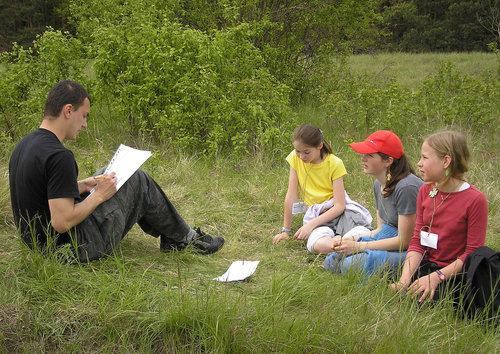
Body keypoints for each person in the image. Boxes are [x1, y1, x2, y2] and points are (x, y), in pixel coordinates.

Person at [9, 80, 224, 262]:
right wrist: (100, 196)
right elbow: (61, 222)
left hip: (37, 247)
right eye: (84, 116)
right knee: (137, 178)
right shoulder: (60, 156)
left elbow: (39, 191)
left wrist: (83, 185)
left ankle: (173, 236)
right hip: (70, 250)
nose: (84, 125)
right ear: (68, 111)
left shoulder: (25, 145)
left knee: (107, 173)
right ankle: (186, 239)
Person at [390, 131, 487, 303]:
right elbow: (417, 241)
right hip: (427, 264)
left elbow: (472, 253)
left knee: (421, 300)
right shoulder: (425, 191)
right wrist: (404, 279)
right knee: (389, 280)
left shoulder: (474, 199)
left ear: (446, 161)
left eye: (425, 158)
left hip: (454, 272)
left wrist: (436, 277)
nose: (419, 164)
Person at [323, 131, 423, 277]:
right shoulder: (379, 184)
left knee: (350, 266)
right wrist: (347, 241)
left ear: (388, 161)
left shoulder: (407, 187)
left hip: (416, 249)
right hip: (389, 237)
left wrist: (358, 247)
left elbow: (405, 241)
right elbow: (380, 229)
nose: (363, 159)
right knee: (331, 262)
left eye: (369, 155)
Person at [272, 124, 372, 254]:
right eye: (297, 151)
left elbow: (339, 206)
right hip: (318, 215)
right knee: (318, 245)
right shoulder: (295, 158)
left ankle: (343, 241)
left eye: (306, 152)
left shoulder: (334, 163)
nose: (301, 156)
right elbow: (291, 196)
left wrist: (310, 225)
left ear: (319, 146)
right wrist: (286, 230)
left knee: (364, 236)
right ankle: (341, 243)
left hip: (342, 213)